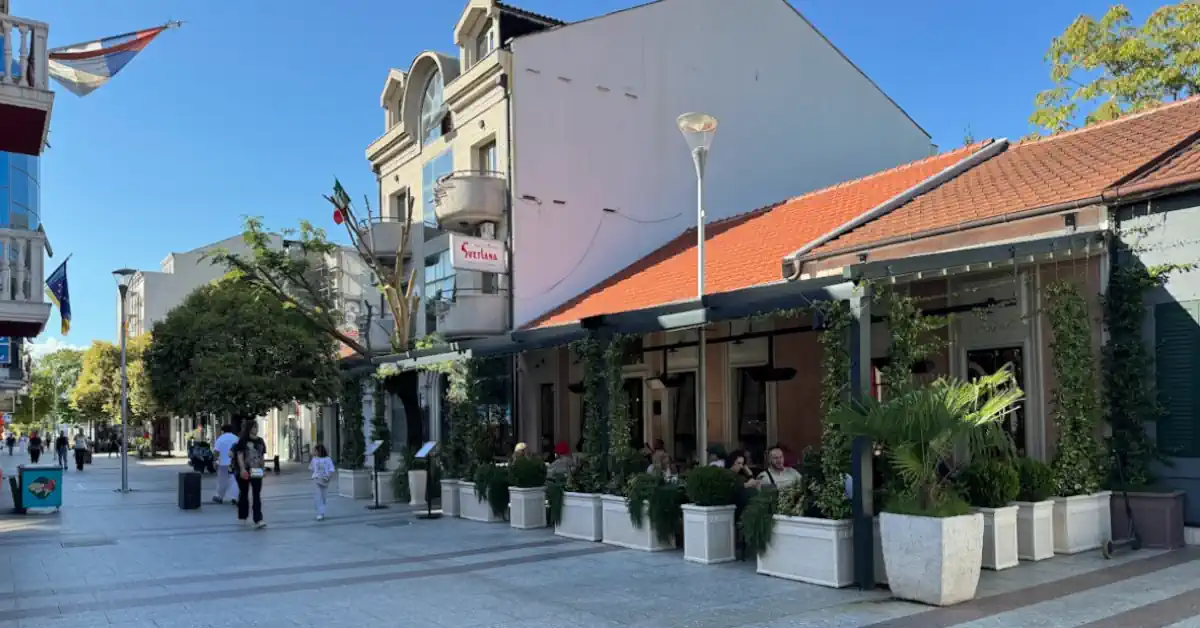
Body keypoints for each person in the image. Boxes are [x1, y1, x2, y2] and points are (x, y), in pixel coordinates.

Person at [233, 421, 268, 528]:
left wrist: (263, 468)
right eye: (254, 427)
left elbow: (261, 456)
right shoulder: (243, 440)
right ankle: (243, 516)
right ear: (249, 428)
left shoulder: (260, 441)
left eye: (257, 427)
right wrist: (242, 469)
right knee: (244, 493)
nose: (256, 429)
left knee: (256, 494)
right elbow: (240, 455)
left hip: (257, 470)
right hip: (246, 469)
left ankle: (258, 519)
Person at [212, 424, 240, 505]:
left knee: (222, 481)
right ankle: (235, 498)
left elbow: (216, 452)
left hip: (223, 463)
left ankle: (219, 497)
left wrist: (215, 461)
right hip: (234, 463)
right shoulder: (236, 438)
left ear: (223, 431)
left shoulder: (220, 439)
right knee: (234, 481)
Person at [309, 444, 335, 521]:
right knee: (318, 496)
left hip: (325, 479)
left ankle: (321, 511)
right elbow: (312, 469)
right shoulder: (314, 459)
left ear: (319, 451)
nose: (314, 452)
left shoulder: (328, 459)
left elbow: (331, 469)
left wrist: (328, 476)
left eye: (315, 450)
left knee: (323, 497)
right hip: (316, 479)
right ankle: (320, 513)